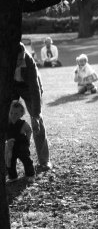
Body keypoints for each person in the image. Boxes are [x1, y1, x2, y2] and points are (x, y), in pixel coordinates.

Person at [11, 42, 52, 172]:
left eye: (21, 59)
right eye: (16, 59)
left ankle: (44, 161)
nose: (19, 61)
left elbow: (35, 89)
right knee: (8, 122)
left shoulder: (28, 61)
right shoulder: (5, 57)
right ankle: (9, 162)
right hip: (12, 88)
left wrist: (36, 114)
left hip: (29, 89)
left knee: (37, 124)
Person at [5, 100, 35, 183]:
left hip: (22, 146)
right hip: (11, 147)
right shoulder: (7, 124)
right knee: (10, 161)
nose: (13, 115)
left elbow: (29, 130)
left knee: (26, 160)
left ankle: (30, 174)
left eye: (16, 114)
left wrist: (28, 139)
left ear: (21, 114)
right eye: (11, 113)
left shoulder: (23, 124)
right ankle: (13, 176)